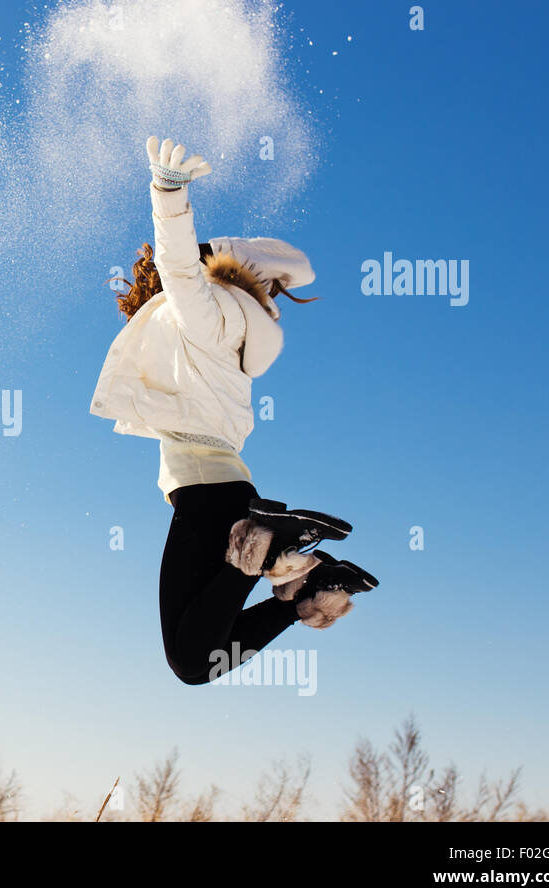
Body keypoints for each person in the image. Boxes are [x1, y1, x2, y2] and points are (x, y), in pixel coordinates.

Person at [90, 135, 378, 686]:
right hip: (222, 495)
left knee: (193, 660)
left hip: (208, 499)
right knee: (196, 660)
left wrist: (168, 194)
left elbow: (177, 269)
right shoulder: (232, 334)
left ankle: (267, 544)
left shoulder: (207, 317)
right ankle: (306, 590)